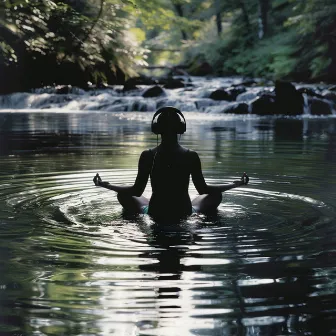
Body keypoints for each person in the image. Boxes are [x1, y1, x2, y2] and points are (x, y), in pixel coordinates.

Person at [93, 106, 249, 221]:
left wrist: (106, 185)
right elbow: (204, 190)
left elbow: (136, 191)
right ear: (181, 129)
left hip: (155, 212)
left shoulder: (148, 155)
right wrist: (235, 184)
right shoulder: (191, 156)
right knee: (215, 195)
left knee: (123, 195)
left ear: (156, 129)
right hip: (185, 211)